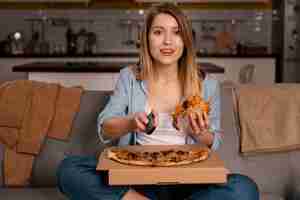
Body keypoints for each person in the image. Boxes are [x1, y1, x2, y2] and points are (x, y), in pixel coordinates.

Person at [57, 3, 259, 200]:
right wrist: (131, 122)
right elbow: (104, 128)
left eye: (176, 32)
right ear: (147, 39)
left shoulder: (207, 84)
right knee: (68, 170)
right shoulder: (130, 77)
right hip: (137, 180)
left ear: (186, 40)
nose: (168, 41)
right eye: (158, 32)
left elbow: (214, 142)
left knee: (244, 188)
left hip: (189, 181)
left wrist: (196, 131)